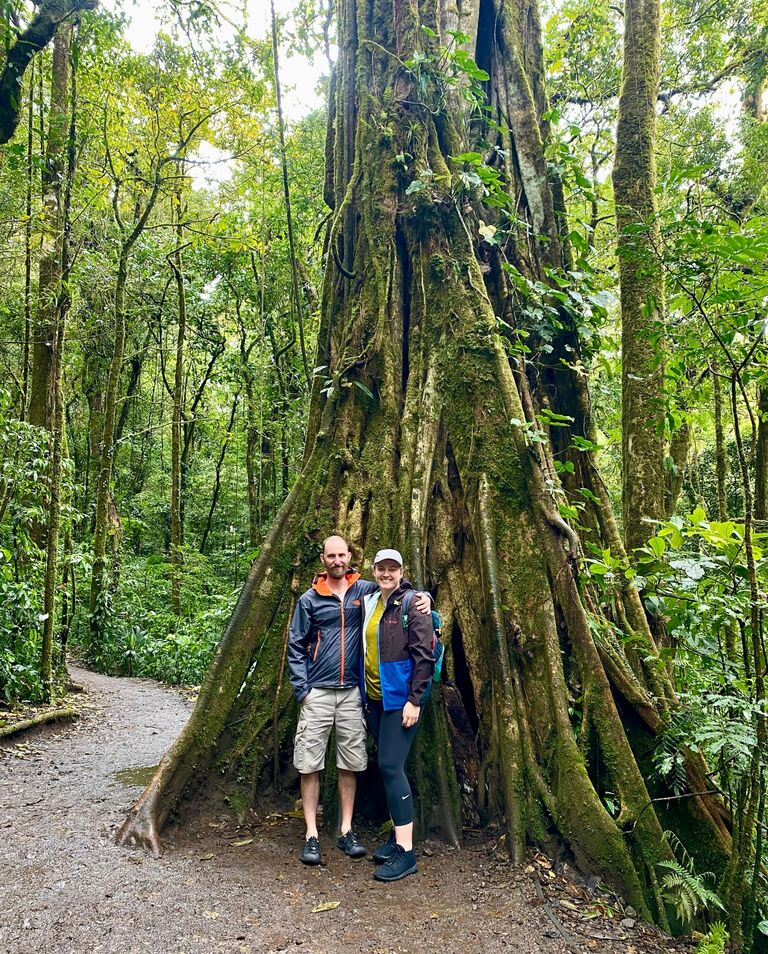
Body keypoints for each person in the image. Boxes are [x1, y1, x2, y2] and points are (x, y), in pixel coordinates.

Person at [287, 535, 430, 866]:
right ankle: (311, 834)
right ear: (323, 560)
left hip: (353, 691)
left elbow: (399, 592)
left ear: (350, 557)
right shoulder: (309, 599)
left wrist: (425, 596)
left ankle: (347, 830)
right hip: (318, 692)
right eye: (330, 555)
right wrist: (302, 689)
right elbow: (295, 645)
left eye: (342, 555)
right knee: (310, 763)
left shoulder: (364, 593)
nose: (337, 560)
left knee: (350, 762)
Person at [362, 548, 434, 882]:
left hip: (400, 699)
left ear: (402, 571)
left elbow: (425, 654)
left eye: (393, 569)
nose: (386, 574)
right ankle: (397, 835)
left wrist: (415, 699)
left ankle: (406, 853)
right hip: (375, 698)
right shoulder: (371, 599)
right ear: (374, 570)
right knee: (388, 766)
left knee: (391, 766)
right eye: (381, 568)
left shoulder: (412, 603)